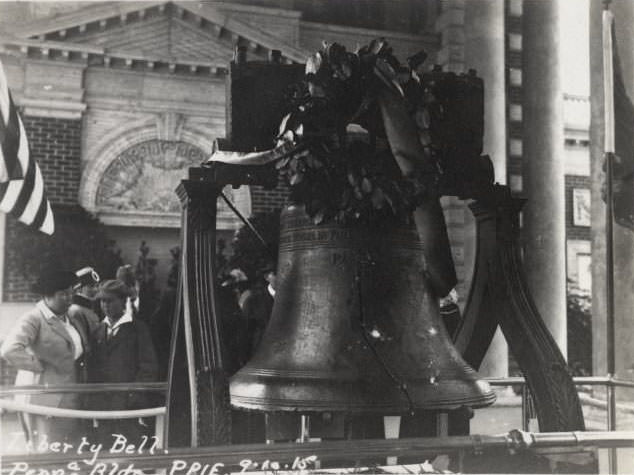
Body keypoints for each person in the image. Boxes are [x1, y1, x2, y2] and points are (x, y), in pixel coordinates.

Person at [0, 269, 90, 447]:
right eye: (63, 294)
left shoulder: (72, 317)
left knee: (67, 455)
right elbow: (9, 350)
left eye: (71, 293)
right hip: (44, 399)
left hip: (70, 397)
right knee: (45, 454)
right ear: (47, 296)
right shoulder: (34, 319)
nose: (69, 299)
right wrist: (40, 366)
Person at [87, 279, 158, 444]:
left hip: (129, 405)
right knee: (106, 448)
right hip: (103, 404)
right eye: (102, 301)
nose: (105, 305)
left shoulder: (138, 329)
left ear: (122, 301)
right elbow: (93, 368)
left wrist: (135, 395)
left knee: (131, 445)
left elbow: (148, 366)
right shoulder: (98, 330)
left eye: (110, 301)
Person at [68, 266, 101, 334]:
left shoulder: (91, 306)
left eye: (97, 286)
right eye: (91, 286)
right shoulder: (75, 311)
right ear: (79, 289)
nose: (96, 289)